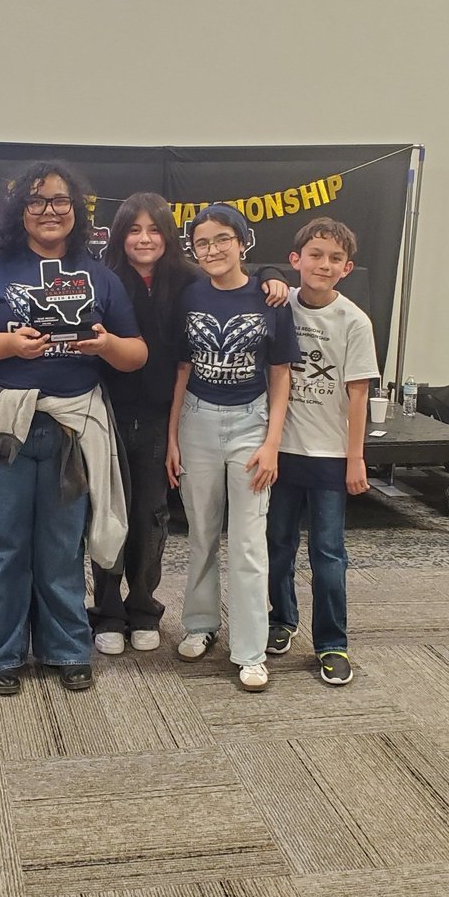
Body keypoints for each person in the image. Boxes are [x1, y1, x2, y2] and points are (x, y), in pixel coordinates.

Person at [0, 161, 146, 696]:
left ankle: (67, 648)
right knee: (0, 547)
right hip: (2, 427)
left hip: (71, 430)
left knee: (62, 546)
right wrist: (8, 344)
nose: (49, 211)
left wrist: (106, 346)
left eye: (60, 200)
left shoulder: (99, 275)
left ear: (76, 210)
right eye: (36, 201)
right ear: (19, 210)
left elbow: (136, 354)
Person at [92, 193, 289, 655]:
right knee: (108, 514)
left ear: (169, 236)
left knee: (151, 517)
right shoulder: (102, 277)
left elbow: (236, 279)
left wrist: (271, 273)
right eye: (134, 230)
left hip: (164, 414)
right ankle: (107, 612)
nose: (144, 239)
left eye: (154, 229)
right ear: (119, 236)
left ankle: (144, 609)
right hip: (107, 412)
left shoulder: (187, 280)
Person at [166, 204, 301, 691]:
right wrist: (172, 437)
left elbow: (281, 375)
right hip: (197, 422)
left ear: (242, 242)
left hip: (251, 424)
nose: (213, 250)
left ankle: (249, 650)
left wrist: (272, 444)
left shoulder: (270, 298)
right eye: (202, 243)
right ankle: (200, 625)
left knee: (247, 541)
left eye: (223, 239)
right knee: (201, 532)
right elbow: (182, 369)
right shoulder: (189, 295)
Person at [266, 217, 378, 685]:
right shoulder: (279, 305)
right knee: (277, 545)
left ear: (347, 268)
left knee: (328, 554)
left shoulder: (354, 321)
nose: (324, 264)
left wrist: (356, 458)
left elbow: (358, 394)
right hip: (281, 452)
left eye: (335, 258)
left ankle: (332, 642)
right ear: (296, 260)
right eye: (315, 255)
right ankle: (281, 619)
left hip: (330, 456)